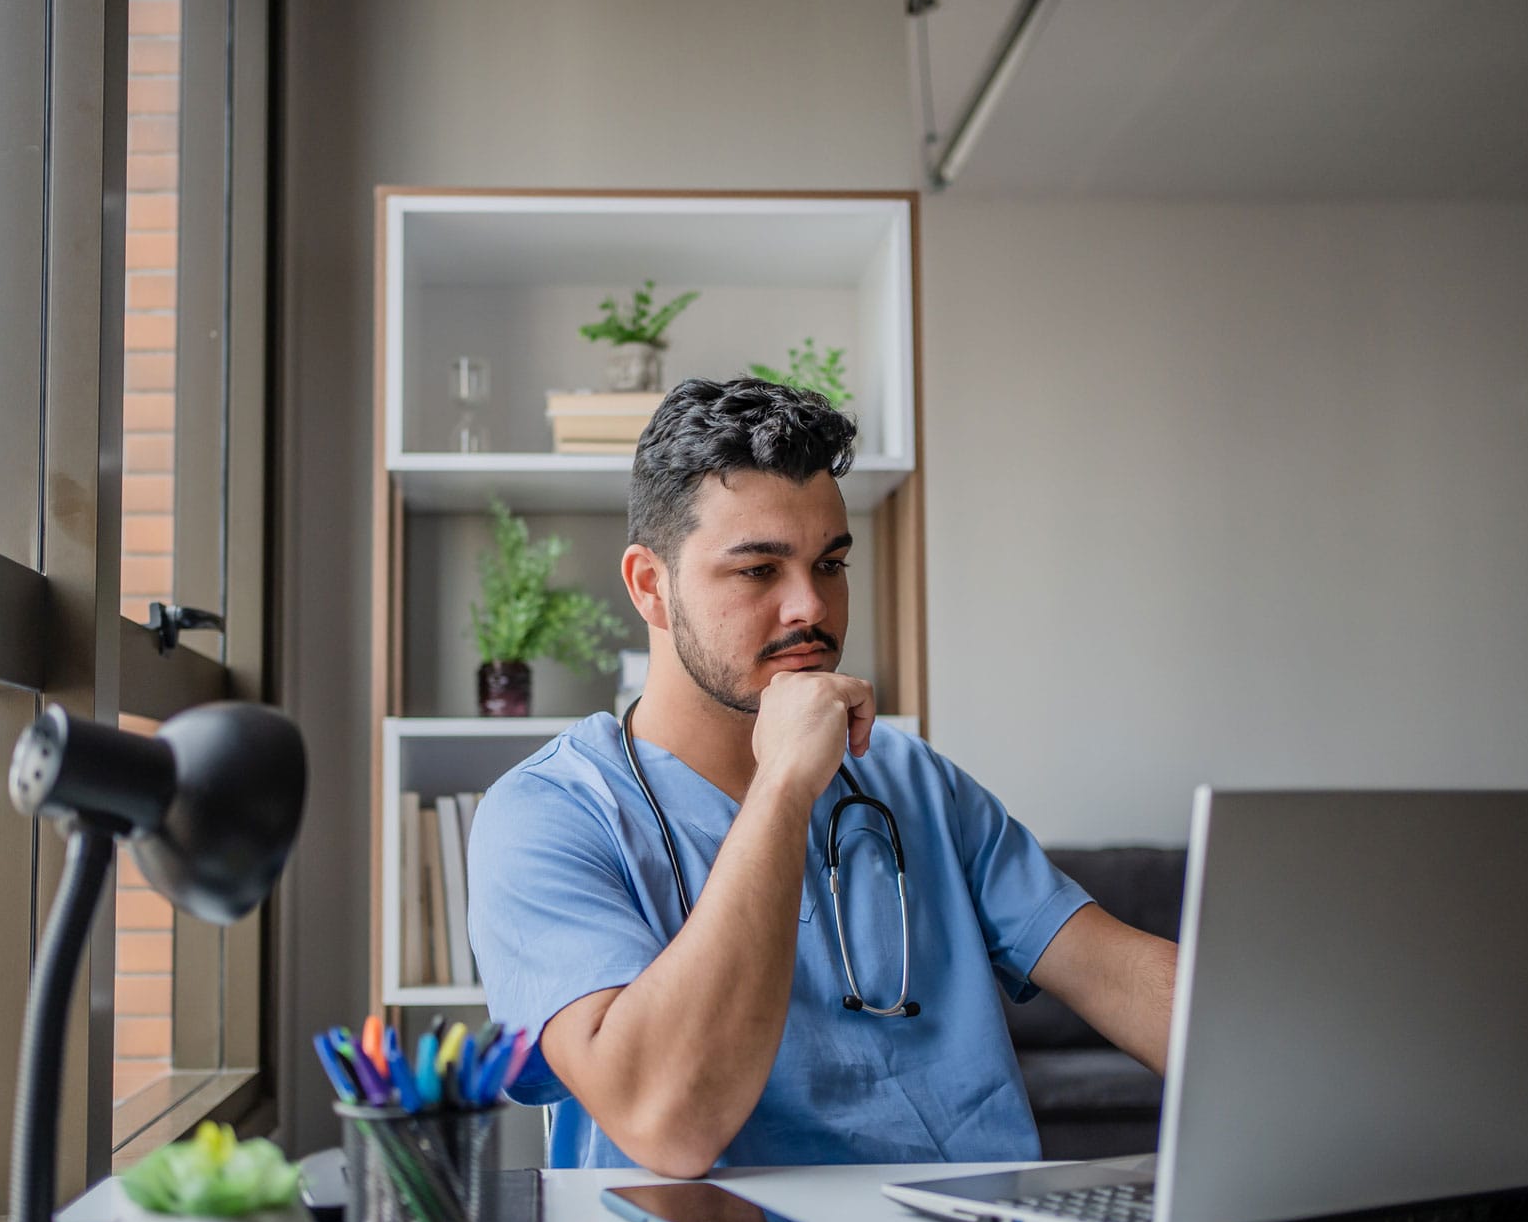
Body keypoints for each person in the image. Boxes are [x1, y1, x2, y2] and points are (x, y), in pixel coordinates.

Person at [466, 377, 1176, 1176]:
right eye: (759, 570)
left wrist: (1292, 1050)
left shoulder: (909, 778)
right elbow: (666, 1121)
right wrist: (784, 787)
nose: (811, 606)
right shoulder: (545, 815)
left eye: (830, 563)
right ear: (649, 587)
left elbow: (1117, 973)